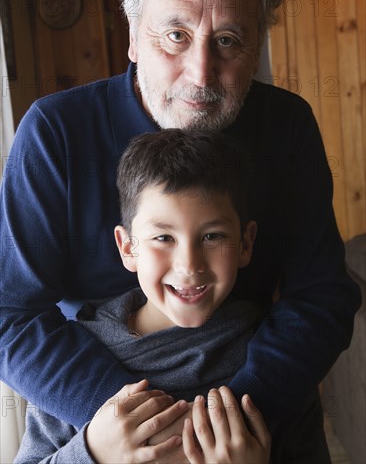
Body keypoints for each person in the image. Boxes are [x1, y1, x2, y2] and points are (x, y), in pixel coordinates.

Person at [0, 0, 360, 452]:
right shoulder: (56, 132)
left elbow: (323, 295)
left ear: (257, 43)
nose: (200, 72)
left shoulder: (286, 126)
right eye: (175, 35)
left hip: (252, 412)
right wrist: (134, 424)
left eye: (229, 40)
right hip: (101, 412)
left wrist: (234, 419)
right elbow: (10, 315)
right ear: (133, 35)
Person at [15, 129, 272, 464]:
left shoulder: (271, 354)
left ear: (245, 243)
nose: (189, 265)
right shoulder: (75, 361)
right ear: (127, 247)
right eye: (163, 237)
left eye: (212, 236)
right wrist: (93, 453)